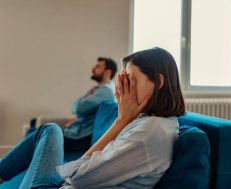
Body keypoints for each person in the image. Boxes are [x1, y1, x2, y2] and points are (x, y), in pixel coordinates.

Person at [0, 47, 185, 189]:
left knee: (49, 130)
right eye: (123, 81)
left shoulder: (149, 132)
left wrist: (121, 121)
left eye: (129, 79)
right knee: (48, 130)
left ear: (159, 82)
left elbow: (76, 176)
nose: (123, 88)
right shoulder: (150, 122)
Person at [28, 57, 118, 151]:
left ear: (107, 72)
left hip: (80, 137)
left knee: (35, 134)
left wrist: (78, 109)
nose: (93, 69)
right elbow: (78, 107)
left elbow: (78, 107)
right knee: (35, 127)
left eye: (98, 67)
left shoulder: (106, 92)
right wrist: (78, 114)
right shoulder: (99, 89)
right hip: (77, 131)